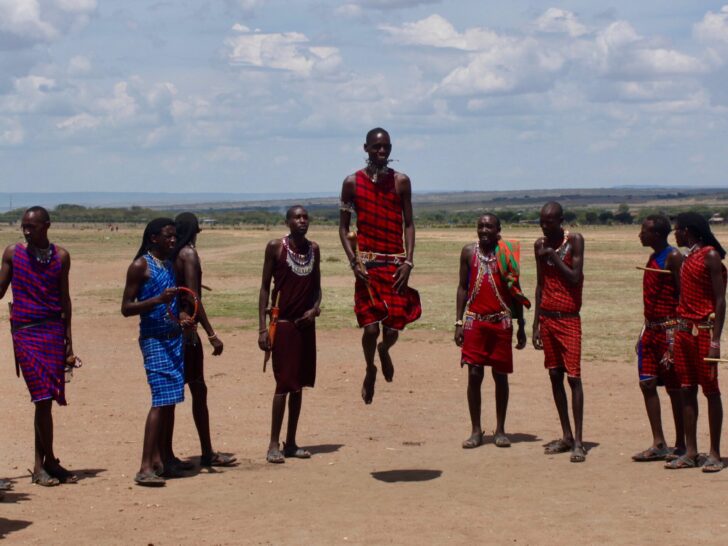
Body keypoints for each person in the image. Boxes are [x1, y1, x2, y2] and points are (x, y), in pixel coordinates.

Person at [339, 127, 421, 404]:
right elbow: (343, 228)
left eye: (386, 146)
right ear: (366, 149)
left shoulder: (401, 182)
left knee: (393, 327)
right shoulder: (352, 183)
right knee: (370, 327)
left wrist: (409, 261)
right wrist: (354, 262)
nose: (382, 151)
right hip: (367, 267)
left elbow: (409, 223)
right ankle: (370, 367)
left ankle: (385, 350)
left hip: (396, 265)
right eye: (377, 147)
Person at [0, 206, 79, 486]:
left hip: (53, 332)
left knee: (45, 402)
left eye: (31, 226)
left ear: (47, 226)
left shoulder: (61, 257)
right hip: (25, 332)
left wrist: (69, 341)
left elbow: (65, 299)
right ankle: (44, 464)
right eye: (23, 226)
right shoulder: (12, 253)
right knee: (42, 398)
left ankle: (46, 463)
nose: (26, 231)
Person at [121, 218, 193, 486]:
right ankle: (145, 467)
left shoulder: (170, 264)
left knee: (171, 399)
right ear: (153, 238)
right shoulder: (141, 266)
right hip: (154, 338)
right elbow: (126, 308)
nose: (173, 240)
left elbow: (174, 303)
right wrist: (156, 301)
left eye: (175, 236)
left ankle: (165, 459)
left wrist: (182, 315)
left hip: (173, 337)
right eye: (168, 236)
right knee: (161, 399)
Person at [454, 214, 529, 449]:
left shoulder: (506, 253)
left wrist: (522, 327)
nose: (484, 229)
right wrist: (458, 322)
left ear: (498, 229)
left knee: (500, 376)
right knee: (474, 375)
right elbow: (463, 288)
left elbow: (515, 291)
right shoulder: (468, 252)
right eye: (480, 226)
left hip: (501, 322)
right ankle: (476, 431)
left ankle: (500, 429)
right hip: (475, 322)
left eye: (489, 226)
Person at [258, 206, 321, 463]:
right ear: (287, 221)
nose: (302, 220)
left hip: (305, 326)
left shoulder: (313, 250)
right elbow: (264, 288)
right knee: (284, 384)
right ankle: (273, 444)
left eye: (305, 216)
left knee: (299, 386)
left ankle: (291, 442)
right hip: (281, 325)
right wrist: (262, 328)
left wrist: (314, 310)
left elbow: (317, 288)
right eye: (297, 217)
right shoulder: (276, 247)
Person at [173, 213, 236, 469]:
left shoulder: (171, 255)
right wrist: (211, 334)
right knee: (198, 390)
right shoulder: (188, 254)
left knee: (173, 394)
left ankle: (166, 453)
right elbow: (194, 298)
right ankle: (207, 452)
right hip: (187, 334)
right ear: (195, 231)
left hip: (172, 329)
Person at [665, 212, 726, 472]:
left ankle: (714, 453)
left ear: (688, 231)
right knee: (687, 389)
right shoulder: (687, 258)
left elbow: (720, 301)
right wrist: (672, 336)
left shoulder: (710, 256)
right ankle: (691, 451)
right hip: (683, 331)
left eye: (677, 230)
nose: (675, 235)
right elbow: (682, 301)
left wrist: (716, 340)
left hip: (703, 331)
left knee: (711, 391)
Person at [532, 202, 587, 463]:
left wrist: (552, 256)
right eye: (542, 221)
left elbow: (575, 277)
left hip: (568, 319)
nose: (545, 225)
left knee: (574, 378)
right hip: (548, 318)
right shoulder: (538, 245)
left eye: (550, 221)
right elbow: (540, 284)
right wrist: (535, 325)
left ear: (561, 220)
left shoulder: (574, 241)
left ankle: (578, 440)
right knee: (555, 375)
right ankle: (565, 435)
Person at [632, 215, 685, 462]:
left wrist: (675, 340)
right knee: (647, 384)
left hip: (669, 330)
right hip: (651, 331)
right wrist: (643, 332)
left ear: (656, 234)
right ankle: (658, 442)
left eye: (644, 231)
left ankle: (682, 444)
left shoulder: (673, 257)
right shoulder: (653, 257)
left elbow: (682, 297)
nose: (640, 234)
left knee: (675, 389)